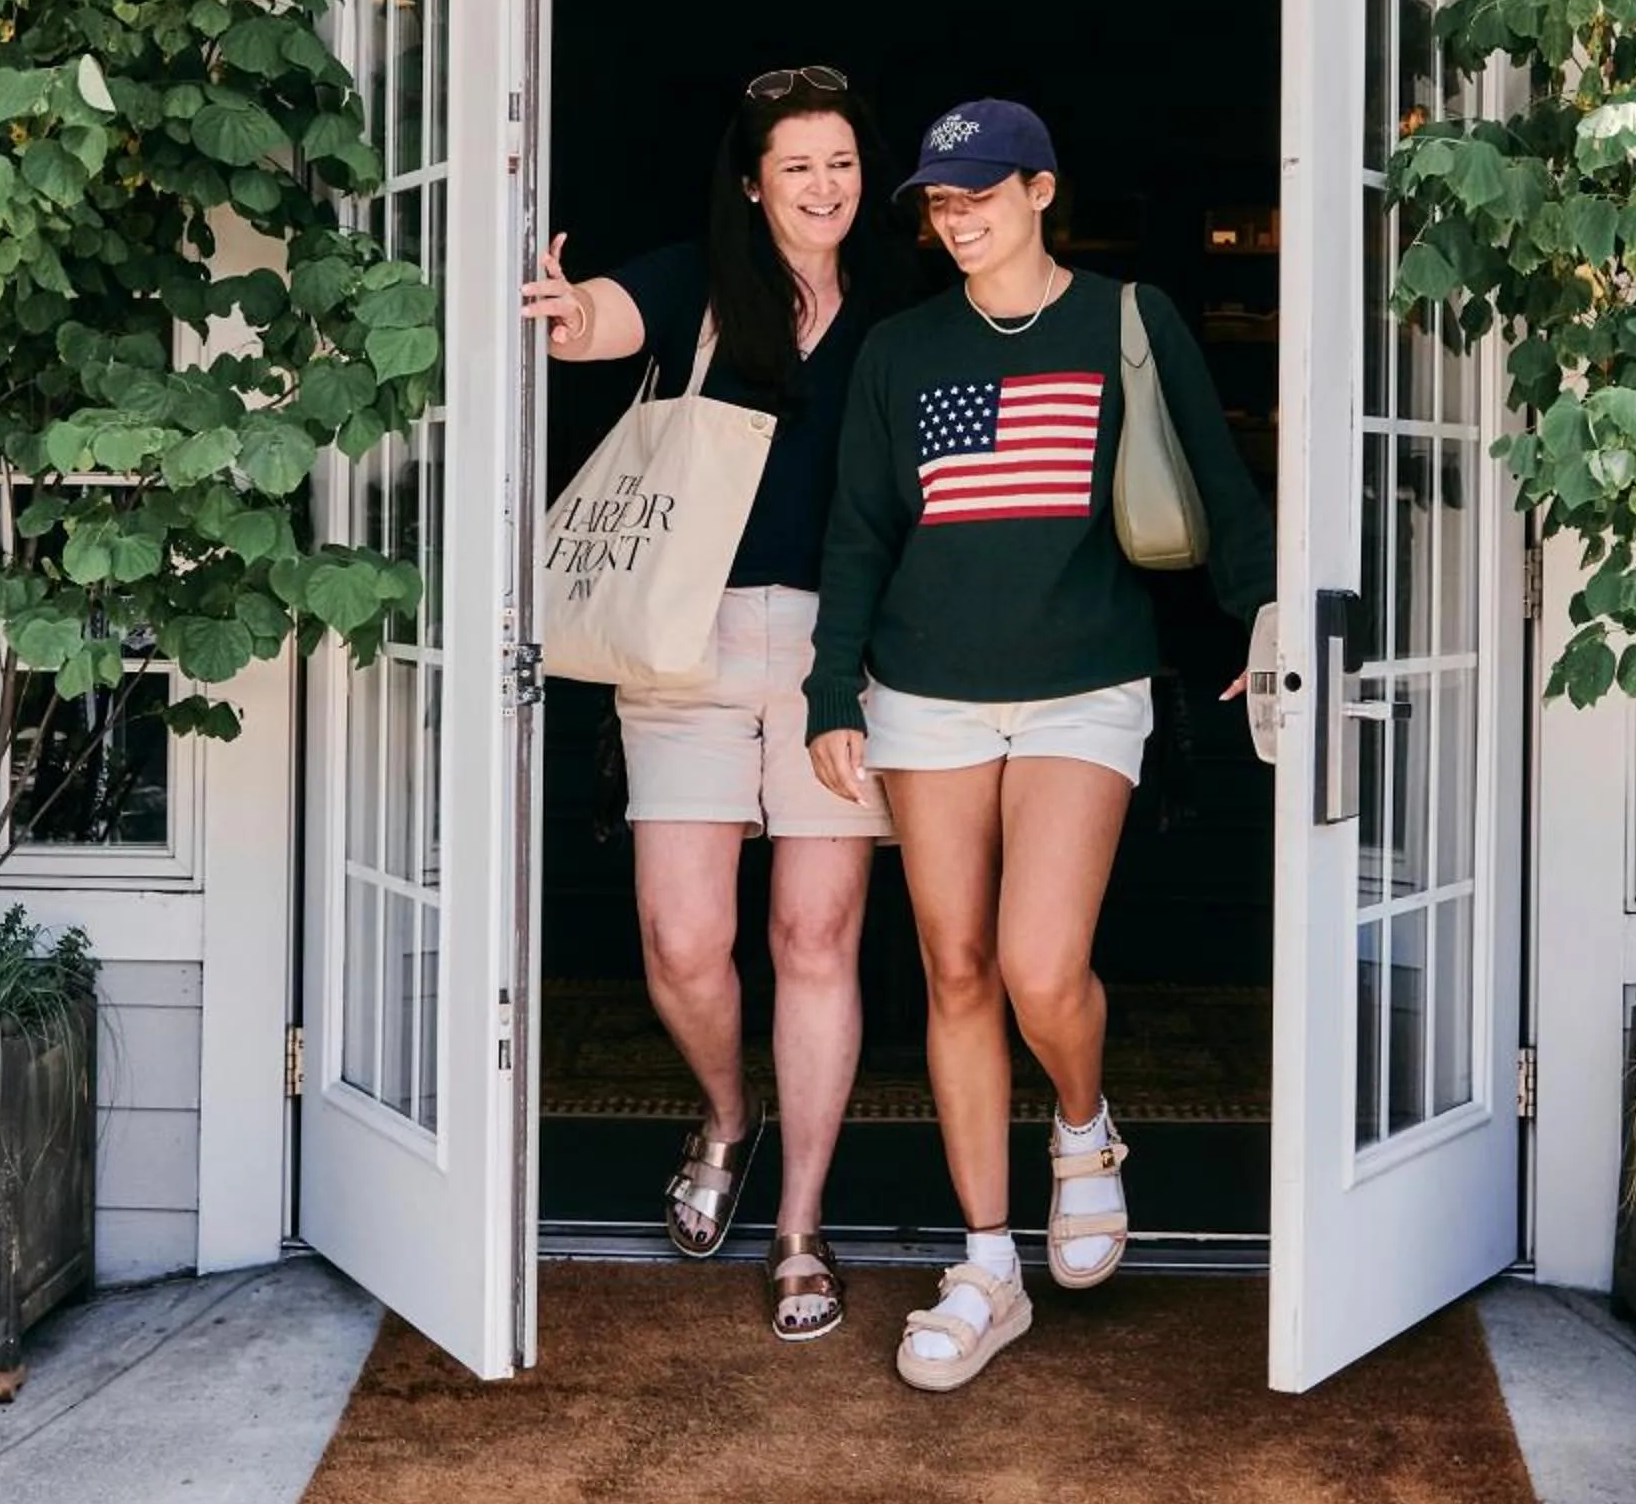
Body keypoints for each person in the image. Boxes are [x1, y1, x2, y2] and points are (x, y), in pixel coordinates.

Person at [805, 98, 1272, 1392]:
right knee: (954, 973)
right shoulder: (900, 351)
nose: (956, 223)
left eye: (979, 197)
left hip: (1083, 686)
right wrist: (831, 693)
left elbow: (1214, 481)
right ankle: (986, 1264)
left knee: (1036, 964)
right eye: (938, 207)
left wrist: (1269, 610)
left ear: (1040, 190)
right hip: (923, 695)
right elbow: (856, 531)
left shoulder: (1126, 322)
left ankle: (1082, 1129)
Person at [523, 67, 896, 1342]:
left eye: (840, 162)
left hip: (839, 659)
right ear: (754, 181)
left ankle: (799, 1224)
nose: (823, 186)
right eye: (797, 166)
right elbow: (602, 323)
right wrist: (568, 313)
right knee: (683, 940)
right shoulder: (700, 279)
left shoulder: (893, 310)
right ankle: (730, 1116)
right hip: (683, 644)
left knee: (813, 940)